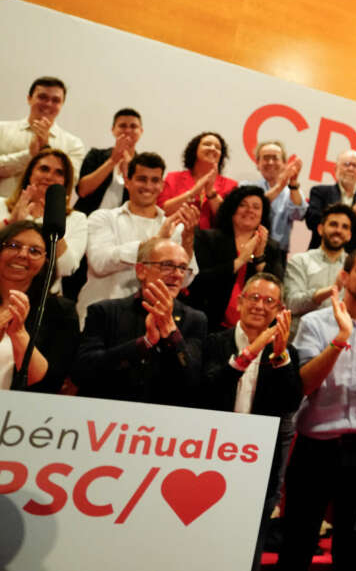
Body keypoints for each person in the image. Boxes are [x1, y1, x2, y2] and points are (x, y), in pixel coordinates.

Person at [278, 249, 356, 571]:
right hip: (316, 448)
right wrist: (340, 339)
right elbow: (305, 385)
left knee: (351, 551)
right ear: (344, 276)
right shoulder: (314, 323)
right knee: (297, 544)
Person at [201, 272, 303, 571]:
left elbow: (290, 403)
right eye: (254, 298)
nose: (260, 306)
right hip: (209, 451)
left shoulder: (286, 351)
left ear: (279, 310)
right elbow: (205, 390)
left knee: (249, 543)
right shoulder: (214, 341)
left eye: (270, 301)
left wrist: (280, 354)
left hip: (257, 461)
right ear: (240, 301)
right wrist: (249, 353)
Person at [73, 237, 206, 406]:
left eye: (182, 268)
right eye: (167, 265)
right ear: (141, 270)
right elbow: (82, 372)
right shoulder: (104, 312)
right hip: (105, 415)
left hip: (162, 424)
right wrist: (144, 343)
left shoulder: (195, 320)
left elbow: (193, 382)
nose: (177, 274)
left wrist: (171, 331)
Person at [76, 152, 199, 325]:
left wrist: (187, 238)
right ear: (127, 181)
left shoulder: (175, 227)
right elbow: (100, 263)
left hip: (151, 321)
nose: (148, 186)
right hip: (102, 318)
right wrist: (157, 240)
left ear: (162, 185)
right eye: (142, 179)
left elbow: (184, 280)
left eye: (155, 180)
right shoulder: (102, 218)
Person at [185, 186, 285, 331]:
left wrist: (259, 258)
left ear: (262, 215)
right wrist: (239, 261)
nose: (250, 210)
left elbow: (276, 288)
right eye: (243, 205)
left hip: (252, 327)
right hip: (208, 320)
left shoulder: (272, 247)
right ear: (232, 209)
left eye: (256, 207)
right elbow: (197, 280)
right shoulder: (208, 238)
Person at [0, 220, 79, 393]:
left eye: (34, 251)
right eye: (13, 245)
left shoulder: (60, 311)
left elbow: (49, 382)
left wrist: (19, 333)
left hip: (18, 415)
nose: (22, 254)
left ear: (46, 262)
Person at [0, 149, 87, 289]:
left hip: (44, 298)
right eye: (44, 169)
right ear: (30, 173)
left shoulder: (76, 219)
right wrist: (10, 223)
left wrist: (54, 221)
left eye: (59, 172)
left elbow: (67, 268)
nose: (49, 176)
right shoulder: (1, 205)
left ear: (65, 182)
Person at [0, 76, 86, 198]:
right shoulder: (2, 130)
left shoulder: (73, 143)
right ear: (29, 99)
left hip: (45, 213)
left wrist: (46, 149)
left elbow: (71, 181)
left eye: (56, 100)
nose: (48, 104)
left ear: (62, 104)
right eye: (42, 97)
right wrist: (29, 155)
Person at [285, 203, 354, 323]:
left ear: (349, 235)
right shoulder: (300, 261)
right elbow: (292, 304)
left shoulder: (355, 268)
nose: (338, 230)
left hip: (340, 337)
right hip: (302, 337)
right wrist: (331, 290)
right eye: (333, 224)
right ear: (320, 229)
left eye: (345, 227)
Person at [158, 131, 238, 229]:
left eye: (218, 147)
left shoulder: (230, 185)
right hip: (175, 236)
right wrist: (192, 192)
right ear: (195, 150)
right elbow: (160, 211)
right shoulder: (173, 178)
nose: (213, 148)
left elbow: (231, 221)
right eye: (207, 144)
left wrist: (211, 193)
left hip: (213, 241)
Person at [241, 140, 307, 258]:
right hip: (245, 249)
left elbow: (299, 214)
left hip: (277, 253)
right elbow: (255, 205)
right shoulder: (245, 187)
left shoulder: (291, 191)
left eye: (275, 158)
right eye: (266, 158)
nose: (270, 162)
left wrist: (293, 182)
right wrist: (280, 186)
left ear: (284, 163)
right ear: (258, 163)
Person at [305, 149, 356, 251]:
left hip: (351, 261)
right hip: (320, 257)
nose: (351, 168)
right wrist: (355, 210)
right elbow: (312, 223)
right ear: (336, 168)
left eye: (355, 166)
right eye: (347, 164)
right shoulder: (320, 192)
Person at [74, 108, 144, 215]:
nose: (128, 130)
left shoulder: (143, 166)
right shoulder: (96, 155)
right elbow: (82, 191)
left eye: (133, 126)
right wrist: (112, 161)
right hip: (86, 219)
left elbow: (143, 200)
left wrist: (129, 168)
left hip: (123, 226)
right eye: (122, 126)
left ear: (141, 131)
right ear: (113, 130)